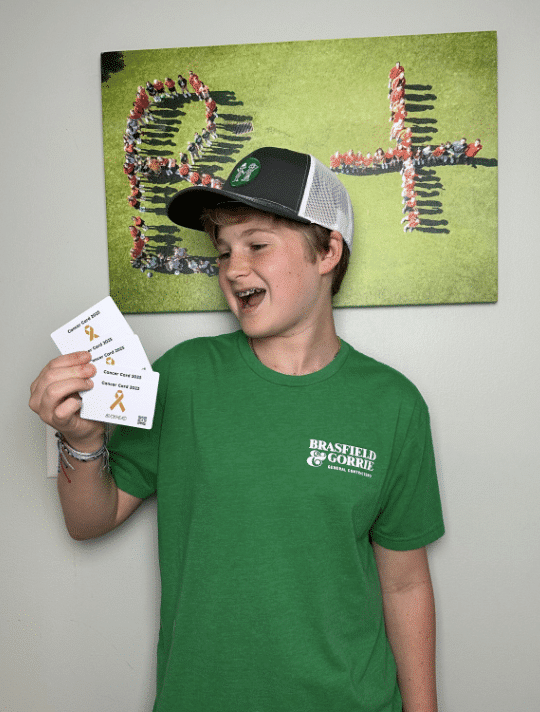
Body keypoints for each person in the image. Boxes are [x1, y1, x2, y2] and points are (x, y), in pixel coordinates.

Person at [29, 146, 444, 712]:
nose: (233, 268)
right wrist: (81, 440)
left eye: (257, 245)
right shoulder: (183, 376)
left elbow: (405, 585)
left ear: (327, 251)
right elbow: (88, 520)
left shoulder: (394, 405)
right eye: (223, 252)